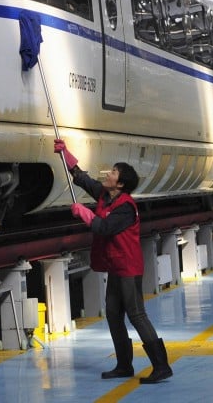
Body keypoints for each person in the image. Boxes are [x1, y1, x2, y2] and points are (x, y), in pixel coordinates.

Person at [54, 139, 173, 384]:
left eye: (114, 172)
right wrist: (66, 154)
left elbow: (105, 227)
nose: (108, 173)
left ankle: (161, 366)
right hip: (115, 267)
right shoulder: (105, 196)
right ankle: (124, 365)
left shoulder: (126, 207)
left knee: (137, 315)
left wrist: (84, 213)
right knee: (112, 314)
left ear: (120, 184)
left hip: (128, 268)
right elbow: (83, 179)